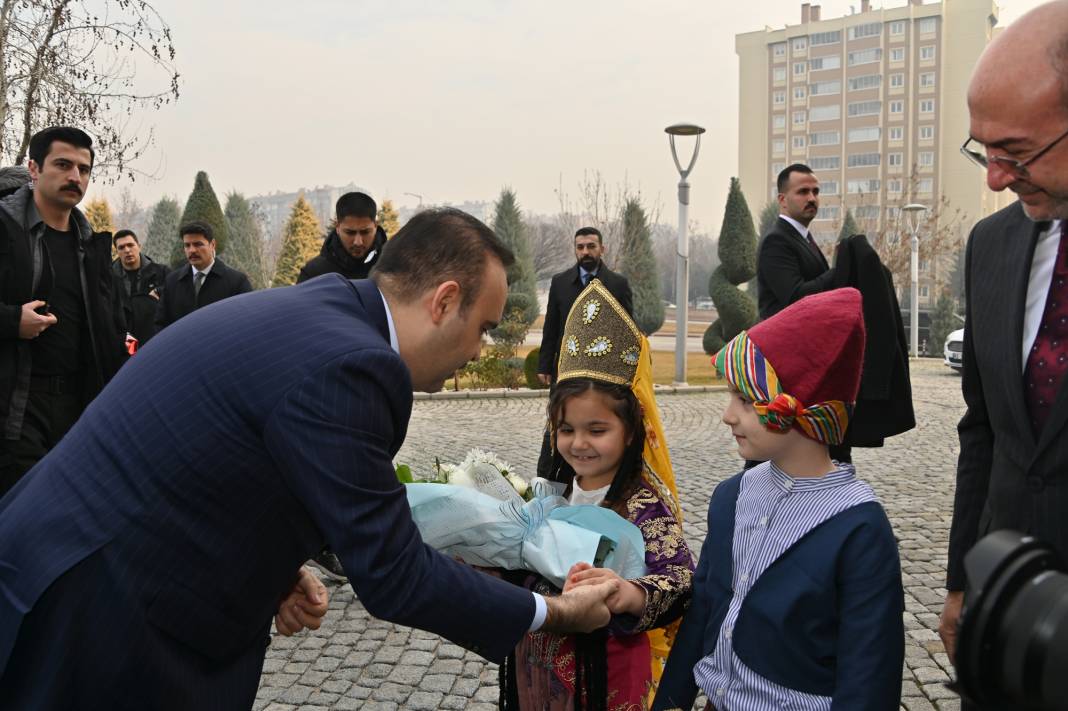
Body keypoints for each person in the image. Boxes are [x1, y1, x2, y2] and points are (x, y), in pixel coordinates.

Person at [0, 207, 618, 710]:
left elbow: (234, 449)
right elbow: (395, 574)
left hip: (74, 563)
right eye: (482, 327)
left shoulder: (328, 309)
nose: (479, 346)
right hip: (94, 612)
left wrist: (272, 558)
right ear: (442, 300)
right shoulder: (356, 364)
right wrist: (556, 611)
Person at [654, 288, 904, 711]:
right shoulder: (732, 497)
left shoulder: (859, 529)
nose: (727, 415)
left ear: (799, 409)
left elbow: (870, 674)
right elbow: (705, 609)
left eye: (747, 400)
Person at [939, 0, 1068, 678]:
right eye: (983, 150)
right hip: (1005, 620)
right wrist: (964, 578)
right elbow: (982, 430)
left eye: (1015, 152)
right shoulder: (990, 245)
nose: (993, 177)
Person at [501, 278, 693, 711]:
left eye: (597, 430)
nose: (579, 444)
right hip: (539, 666)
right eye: (566, 430)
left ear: (631, 433)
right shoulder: (550, 495)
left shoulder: (643, 506)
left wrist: (627, 591)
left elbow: (681, 581)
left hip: (609, 675)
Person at [0, 126, 126, 496]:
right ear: (34, 168)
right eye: (63, 164)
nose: (75, 176)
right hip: (15, 407)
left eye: (84, 169)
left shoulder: (93, 248)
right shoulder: (5, 233)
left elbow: (113, 329)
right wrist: (12, 321)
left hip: (78, 408)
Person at [535, 227, 632, 477]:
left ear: (602, 248)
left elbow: (629, 329)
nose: (586, 252)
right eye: (580, 247)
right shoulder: (560, 283)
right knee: (559, 426)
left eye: (591, 246)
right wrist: (545, 364)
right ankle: (550, 482)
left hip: (604, 375)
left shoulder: (618, 285)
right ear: (575, 250)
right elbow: (551, 327)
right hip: (566, 372)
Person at [756, 163, 834, 320]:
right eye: (803, 192)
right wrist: (841, 270)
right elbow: (796, 298)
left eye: (815, 192)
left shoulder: (804, 237)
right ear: (783, 200)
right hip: (785, 341)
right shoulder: (776, 241)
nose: (812, 198)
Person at [154, 220, 253, 331]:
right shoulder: (172, 282)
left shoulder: (236, 282)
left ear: (213, 245)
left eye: (198, 244)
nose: (192, 250)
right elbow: (161, 324)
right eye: (187, 245)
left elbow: (247, 323)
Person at [298, 191, 387, 283]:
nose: (358, 242)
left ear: (376, 226)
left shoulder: (394, 269)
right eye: (350, 233)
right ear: (337, 226)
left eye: (365, 232)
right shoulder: (314, 274)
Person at [112, 229, 168, 347]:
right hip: (122, 345)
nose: (127, 250)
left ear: (139, 246)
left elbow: (177, 292)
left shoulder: (161, 273)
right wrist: (130, 347)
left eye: (130, 245)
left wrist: (160, 291)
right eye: (121, 248)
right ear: (116, 251)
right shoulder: (108, 279)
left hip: (157, 341)